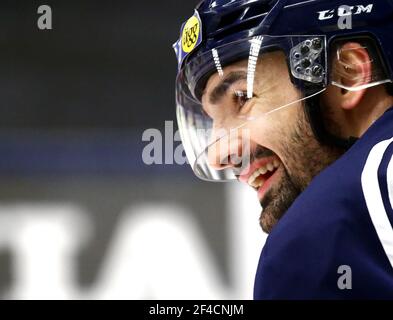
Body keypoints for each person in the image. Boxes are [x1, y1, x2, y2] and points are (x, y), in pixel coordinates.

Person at [173, 0, 393, 299]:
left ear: (347, 75)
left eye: (243, 97)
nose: (218, 155)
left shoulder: (317, 238)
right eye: (212, 121)